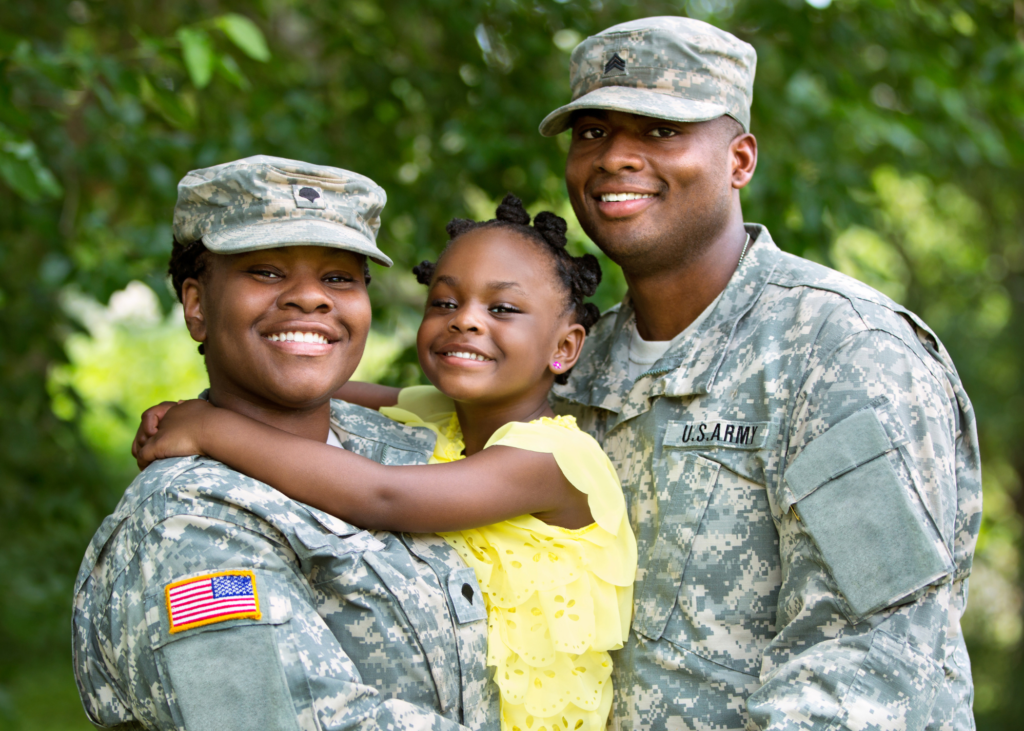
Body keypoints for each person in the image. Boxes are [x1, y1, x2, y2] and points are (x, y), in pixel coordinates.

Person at [537, 16, 981, 731]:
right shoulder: (572, 365)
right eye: (592, 132)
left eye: (659, 131)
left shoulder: (840, 350)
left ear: (740, 160)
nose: (615, 156)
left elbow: (876, 660)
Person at [133, 195, 638, 731]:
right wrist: (198, 403)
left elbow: (384, 495)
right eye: (444, 304)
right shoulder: (436, 412)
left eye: (502, 309)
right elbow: (309, 376)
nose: (464, 321)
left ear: (563, 347)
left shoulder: (555, 458)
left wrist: (212, 429)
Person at [73, 155, 501, 731]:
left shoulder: (409, 443)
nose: (311, 299)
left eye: (338, 278)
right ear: (197, 306)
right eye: (267, 272)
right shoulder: (186, 522)